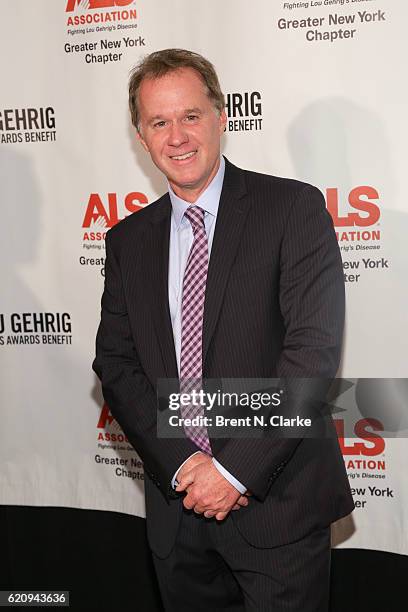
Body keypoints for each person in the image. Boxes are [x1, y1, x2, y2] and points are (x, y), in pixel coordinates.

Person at [92, 48, 354, 611]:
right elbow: (116, 366)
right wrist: (188, 466)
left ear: (221, 117)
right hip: (177, 510)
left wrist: (234, 473)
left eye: (190, 115)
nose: (177, 136)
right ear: (142, 136)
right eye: (159, 122)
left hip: (277, 507)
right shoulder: (128, 241)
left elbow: (312, 357)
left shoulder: (292, 210)